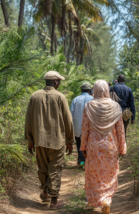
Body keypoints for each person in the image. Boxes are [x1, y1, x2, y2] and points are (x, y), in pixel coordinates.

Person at [25, 71, 74, 210]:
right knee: (55, 169)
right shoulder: (60, 97)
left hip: (39, 140)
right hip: (57, 141)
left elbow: (28, 119)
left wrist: (30, 140)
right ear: (56, 82)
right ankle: (54, 201)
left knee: (43, 168)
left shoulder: (34, 96)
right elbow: (68, 120)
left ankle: (45, 192)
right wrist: (70, 140)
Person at [80, 80, 127, 214]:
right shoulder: (116, 107)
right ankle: (106, 200)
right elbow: (120, 130)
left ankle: (98, 200)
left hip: (93, 147)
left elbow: (85, 129)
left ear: (94, 90)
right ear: (107, 90)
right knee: (109, 175)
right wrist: (122, 148)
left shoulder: (89, 106)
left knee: (94, 174)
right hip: (111, 147)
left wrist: (83, 147)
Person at [70, 82, 94, 169]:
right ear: (90, 90)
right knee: (88, 144)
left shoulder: (75, 99)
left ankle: (81, 161)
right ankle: (88, 162)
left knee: (79, 144)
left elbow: (71, 115)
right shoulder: (93, 99)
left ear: (81, 89)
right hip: (90, 128)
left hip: (78, 127)